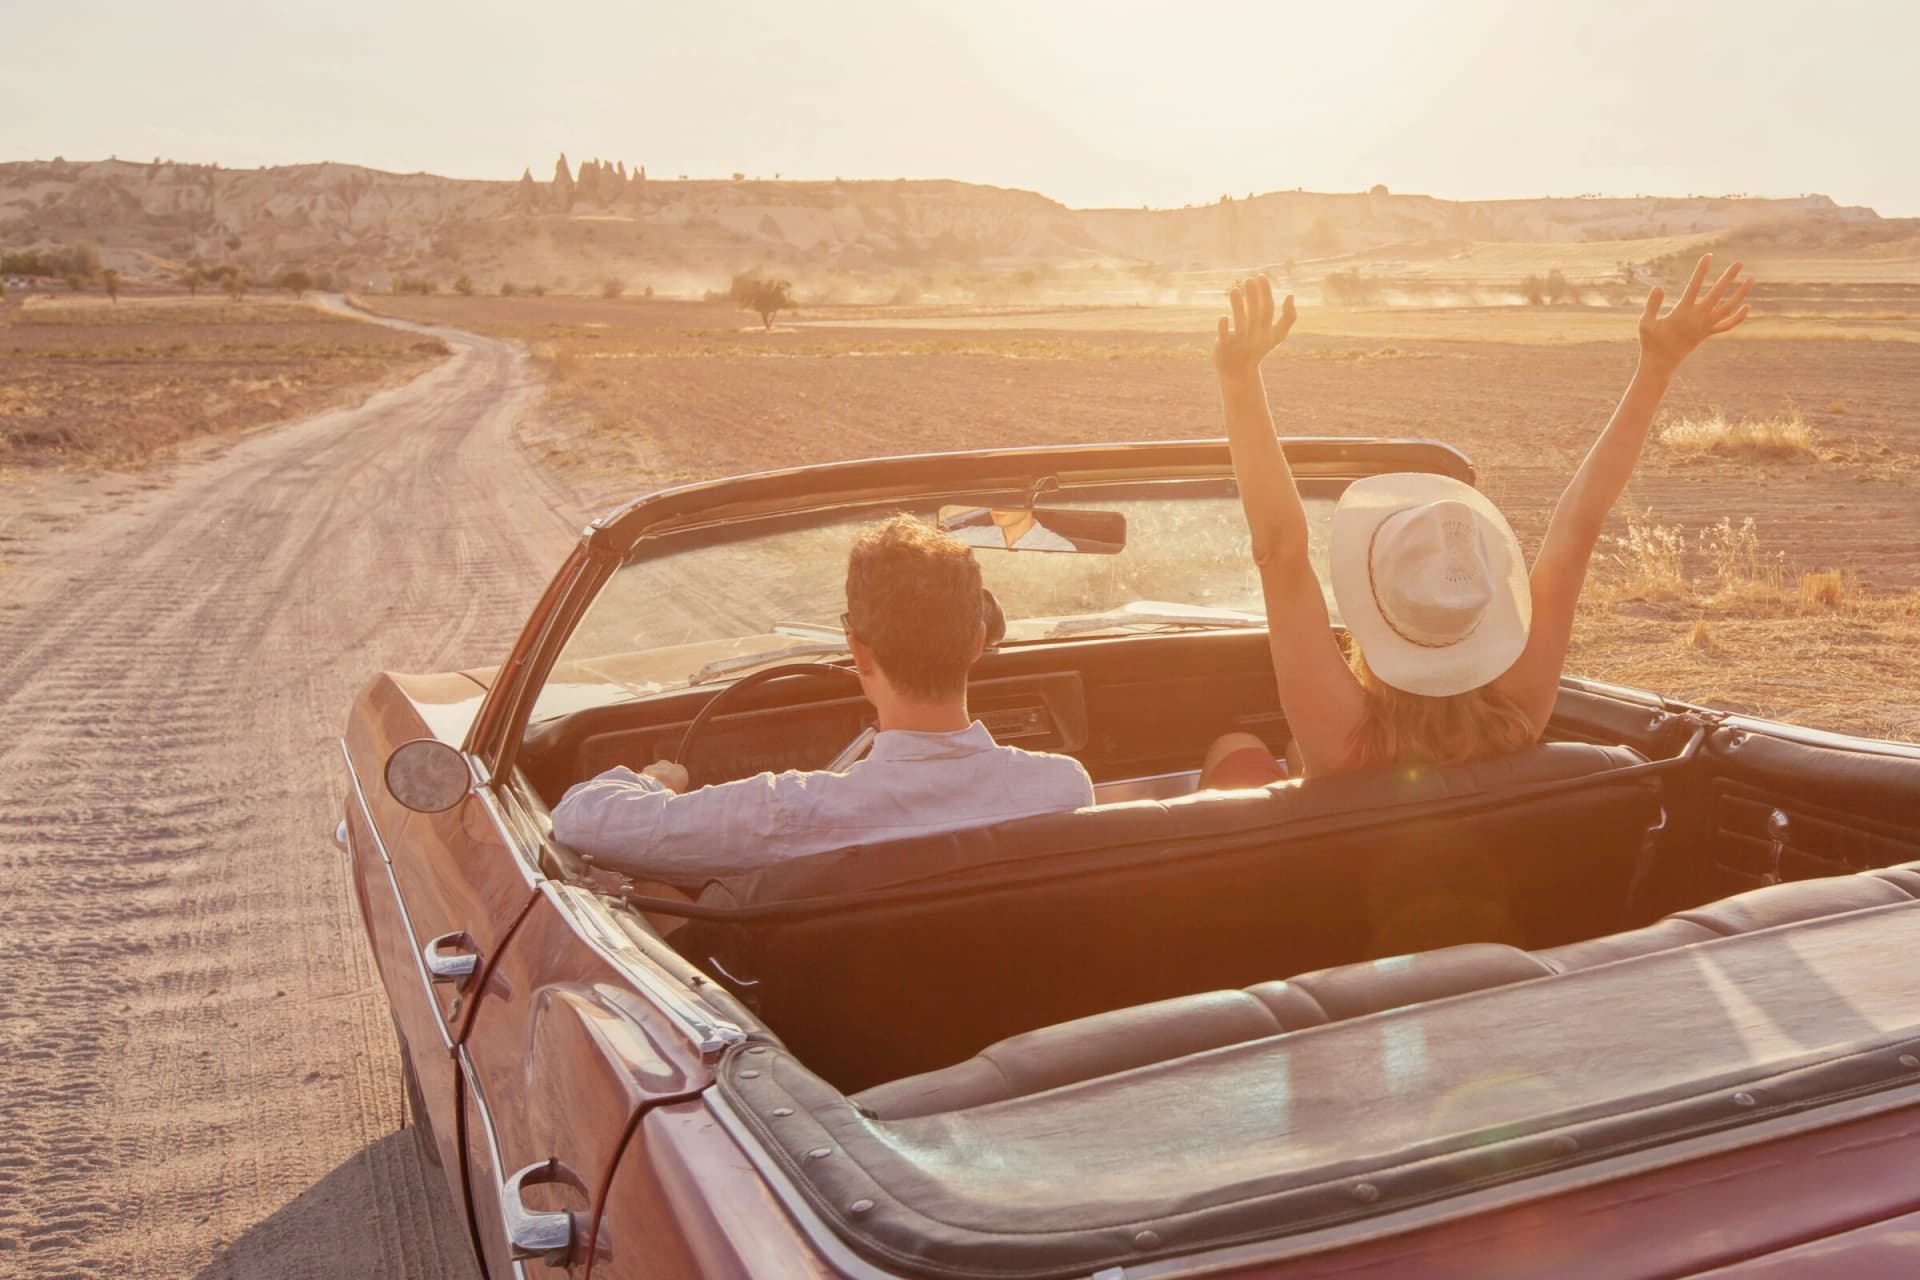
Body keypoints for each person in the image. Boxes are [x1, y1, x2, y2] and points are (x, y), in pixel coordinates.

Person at [1201, 255, 1753, 784]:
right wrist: (1656, 369)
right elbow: (1578, 528)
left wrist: (1239, 377)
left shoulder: (1344, 743)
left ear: (1373, 605)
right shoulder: (1517, 719)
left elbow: (1279, 549)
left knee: (1238, 751)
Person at [552, 514, 1094, 882]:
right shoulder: (1063, 786)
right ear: (977, 642)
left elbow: (580, 819)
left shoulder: (789, 811)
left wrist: (655, 780)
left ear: (859, 653)